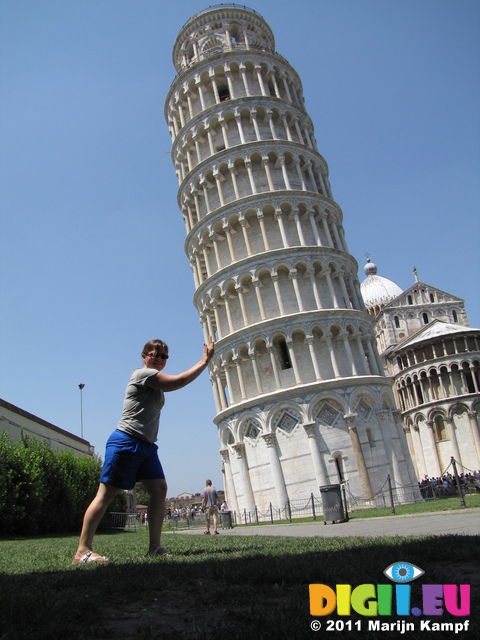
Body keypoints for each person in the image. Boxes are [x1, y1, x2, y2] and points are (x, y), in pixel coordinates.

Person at [72, 336, 215, 563]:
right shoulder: (142, 374)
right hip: (126, 441)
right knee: (106, 495)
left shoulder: (155, 383)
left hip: (147, 446)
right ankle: (82, 551)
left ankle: (155, 547)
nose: (159, 358)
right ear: (144, 356)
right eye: (155, 354)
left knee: (159, 489)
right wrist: (204, 362)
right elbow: (178, 382)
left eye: (164, 356)